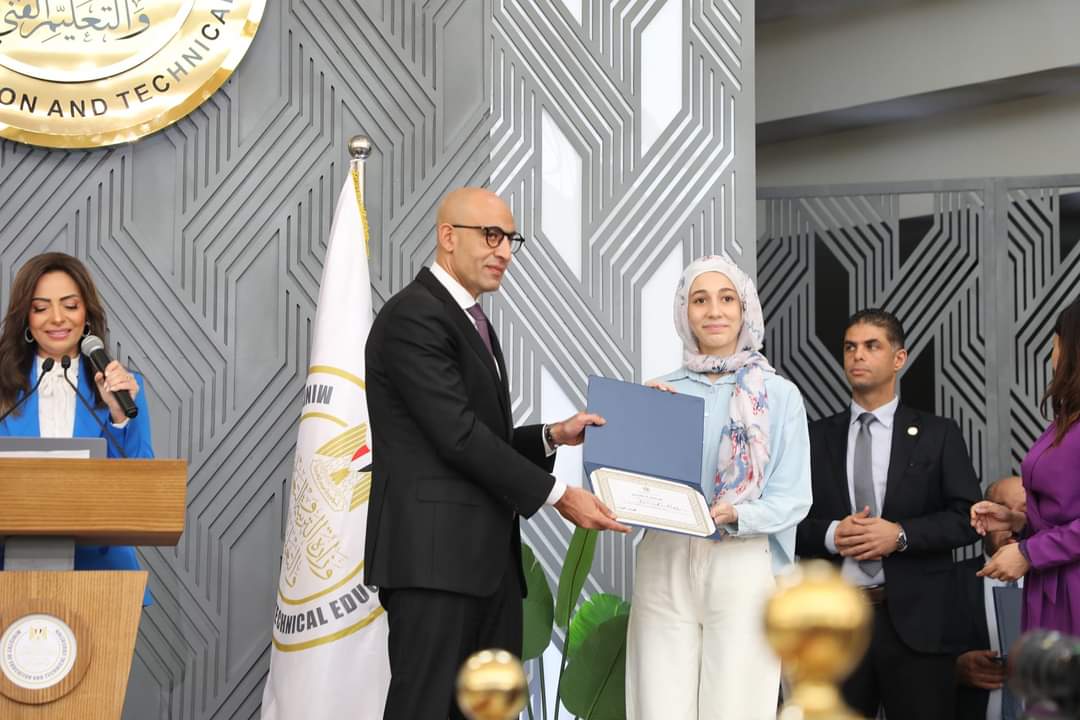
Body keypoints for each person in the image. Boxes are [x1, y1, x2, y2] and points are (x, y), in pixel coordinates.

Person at [362, 187, 630, 720]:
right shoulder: (415, 316)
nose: (504, 251)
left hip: (482, 566)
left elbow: (475, 436)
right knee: (425, 709)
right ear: (447, 237)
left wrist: (551, 436)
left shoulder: (466, 317)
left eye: (510, 239)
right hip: (435, 565)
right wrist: (559, 495)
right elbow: (458, 436)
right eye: (490, 236)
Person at [625, 255, 813, 720]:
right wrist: (643, 422)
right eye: (700, 300)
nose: (714, 311)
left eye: (727, 299)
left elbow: (794, 497)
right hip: (666, 555)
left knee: (737, 706)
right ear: (683, 312)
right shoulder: (659, 391)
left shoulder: (778, 395)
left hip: (743, 558)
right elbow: (632, 487)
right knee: (658, 703)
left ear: (745, 308)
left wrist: (738, 514)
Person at [795, 308, 981, 720]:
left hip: (918, 627)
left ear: (899, 358)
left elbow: (967, 518)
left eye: (871, 346)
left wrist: (900, 535)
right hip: (834, 625)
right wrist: (830, 535)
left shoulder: (938, 433)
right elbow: (786, 523)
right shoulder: (813, 437)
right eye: (850, 347)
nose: (857, 356)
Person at [0, 252, 154, 589]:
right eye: (41, 308)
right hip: (8, 575)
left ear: (87, 315)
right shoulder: (2, 391)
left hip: (102, 578)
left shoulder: (126, 388)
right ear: (26, 317)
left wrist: (118, 416)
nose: (57, 318)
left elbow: (141, 492)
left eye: (70, 305)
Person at [972, 297, 1080, 635]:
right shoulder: (1065, 420)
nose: (1052, 355)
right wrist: (1017, 520)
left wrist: (1031, 552)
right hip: (1051, 583)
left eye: (1056, 342)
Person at [955, 476, 1025, 720]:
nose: (1012, 522)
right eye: (1002, 511)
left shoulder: (1063, 583)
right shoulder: (948, 581)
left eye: (1025, 513)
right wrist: (954, 669)